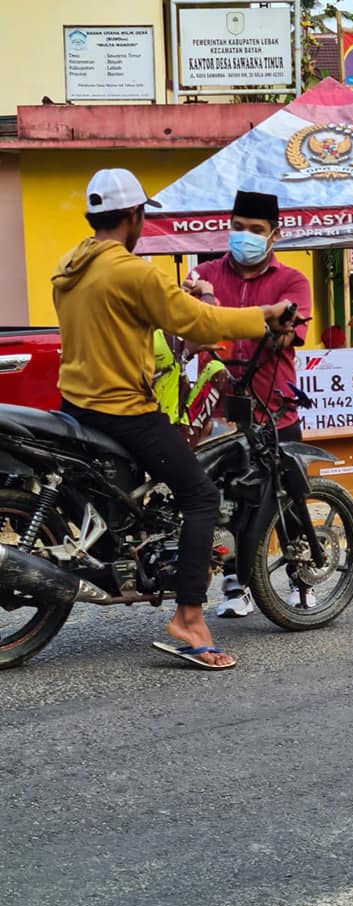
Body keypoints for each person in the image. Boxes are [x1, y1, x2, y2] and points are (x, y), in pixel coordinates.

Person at [52, 167, 295, 670]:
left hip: (76, 404)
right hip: (123, 409)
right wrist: (264, 314)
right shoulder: (132, 272)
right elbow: (197, 322)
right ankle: (188, 617)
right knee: (200, 495)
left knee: (137, 498)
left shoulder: (70, 265)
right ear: (134, 216)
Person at [188, 190, 312, 618]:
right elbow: (186, 329)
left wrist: (228, 314)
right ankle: (234, 585)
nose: (245, 236)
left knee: (289, 499)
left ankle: (302, 581)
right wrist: (202, 302)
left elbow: (286, 335)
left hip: (275, 410)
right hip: (219, 412)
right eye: (238, 227)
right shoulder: (203, 275)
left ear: (274, 235)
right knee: (224, 503)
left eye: (255, 230)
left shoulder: (292, 282)